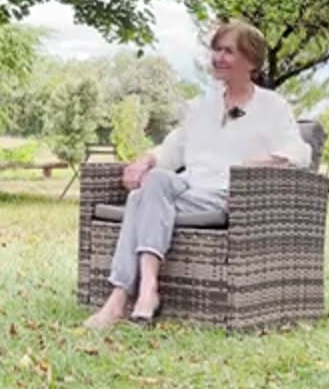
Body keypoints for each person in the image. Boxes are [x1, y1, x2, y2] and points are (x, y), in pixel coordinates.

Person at [83, 19, 312, 330]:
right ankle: (147, 289)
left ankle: (119, 297)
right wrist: (146, 160)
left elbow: (300, 152)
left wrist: (265, 162)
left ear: (251, 60)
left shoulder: (272, 106)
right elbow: (173, 148)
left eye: (228, 51)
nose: (218, 58)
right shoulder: (203, 106)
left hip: (227, 193)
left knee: (139, 198)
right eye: (216, 50)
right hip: (188, 187)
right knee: (154, 181)